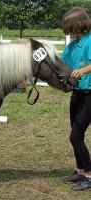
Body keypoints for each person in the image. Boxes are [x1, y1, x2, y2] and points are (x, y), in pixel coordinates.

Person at [61, 7, 91, 191]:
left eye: (69, 28)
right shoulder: (72, 46)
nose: (68, 32)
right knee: (76, 133)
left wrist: (84, 70)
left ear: (78, 24)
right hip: (77, 93)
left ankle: (89, 176)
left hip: (90, 94)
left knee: (76, 136)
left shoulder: (90, 41)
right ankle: (79, 170)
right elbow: (61, 63)